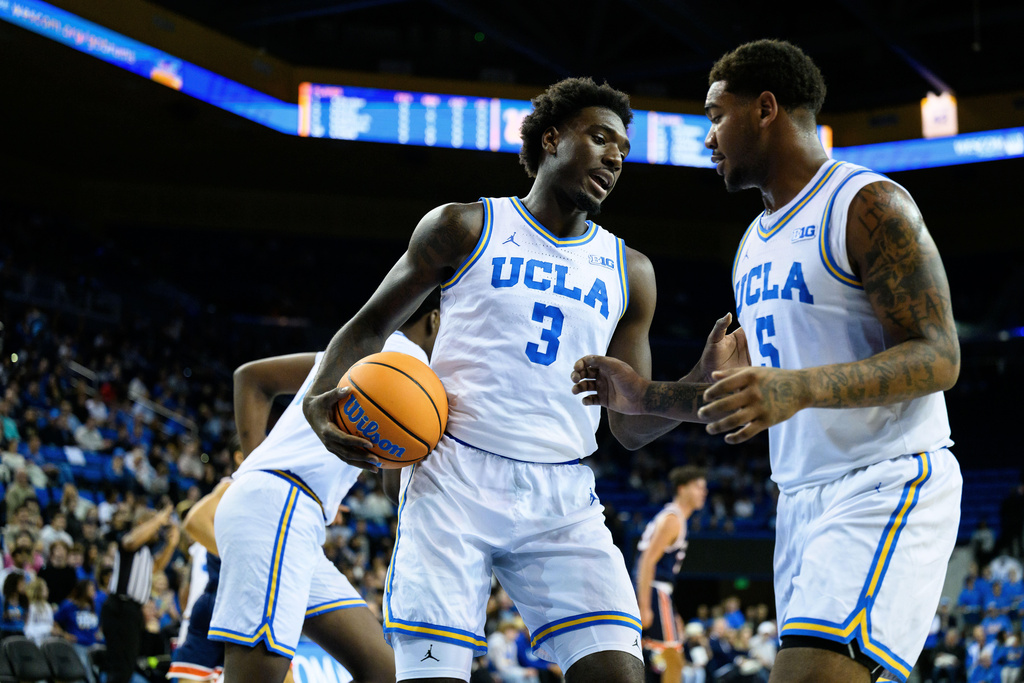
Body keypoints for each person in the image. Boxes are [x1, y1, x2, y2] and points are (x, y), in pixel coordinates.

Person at [301, 77, 744, 683]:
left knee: (618, 675)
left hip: (562, 496)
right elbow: (371, 324)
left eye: (623, 149)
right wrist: (317, 399)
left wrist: (698, 380)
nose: (616, 158)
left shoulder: (631, 271)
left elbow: (630, 425)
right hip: (452, 481)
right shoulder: (463, 226)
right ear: (551, 138)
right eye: (601, 138)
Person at [570, 40, 962, 683]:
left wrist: (794, 387)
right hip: (799, 499)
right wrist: (643, 394)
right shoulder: (753, 242)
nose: (708, 139)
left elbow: (939, 355)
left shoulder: (867, 203)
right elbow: (756, 390)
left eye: (715, 116)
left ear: (766, 108)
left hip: (884, 480)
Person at [205, 295, 441, 683]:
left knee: (382, 671)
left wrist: (257, 469)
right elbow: (394, 486)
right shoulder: (414, 366)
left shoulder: (354, 349)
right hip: (281, 508)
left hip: (284, 510)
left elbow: (251, 379)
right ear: (434, 319)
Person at [633, 465, 708, 683]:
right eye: (698, 487)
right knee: (673, 659)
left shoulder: (674, 517)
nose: (703, 492)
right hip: (654, 589)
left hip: (659, 590)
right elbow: (647, 561)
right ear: (682, 489)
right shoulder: (673, 519)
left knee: (665, 659)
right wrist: (644, 605)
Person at [101, 504, 180, 683]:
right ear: (141, 523)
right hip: (120, 608)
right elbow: (130, 541)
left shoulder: (144, 552)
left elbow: (156, 567)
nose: (158, 530)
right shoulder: (128, 540)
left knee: (127, 667)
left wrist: (171, 545)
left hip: (132, 611)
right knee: (120, 668)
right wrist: (158, 518)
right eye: (155, 525)